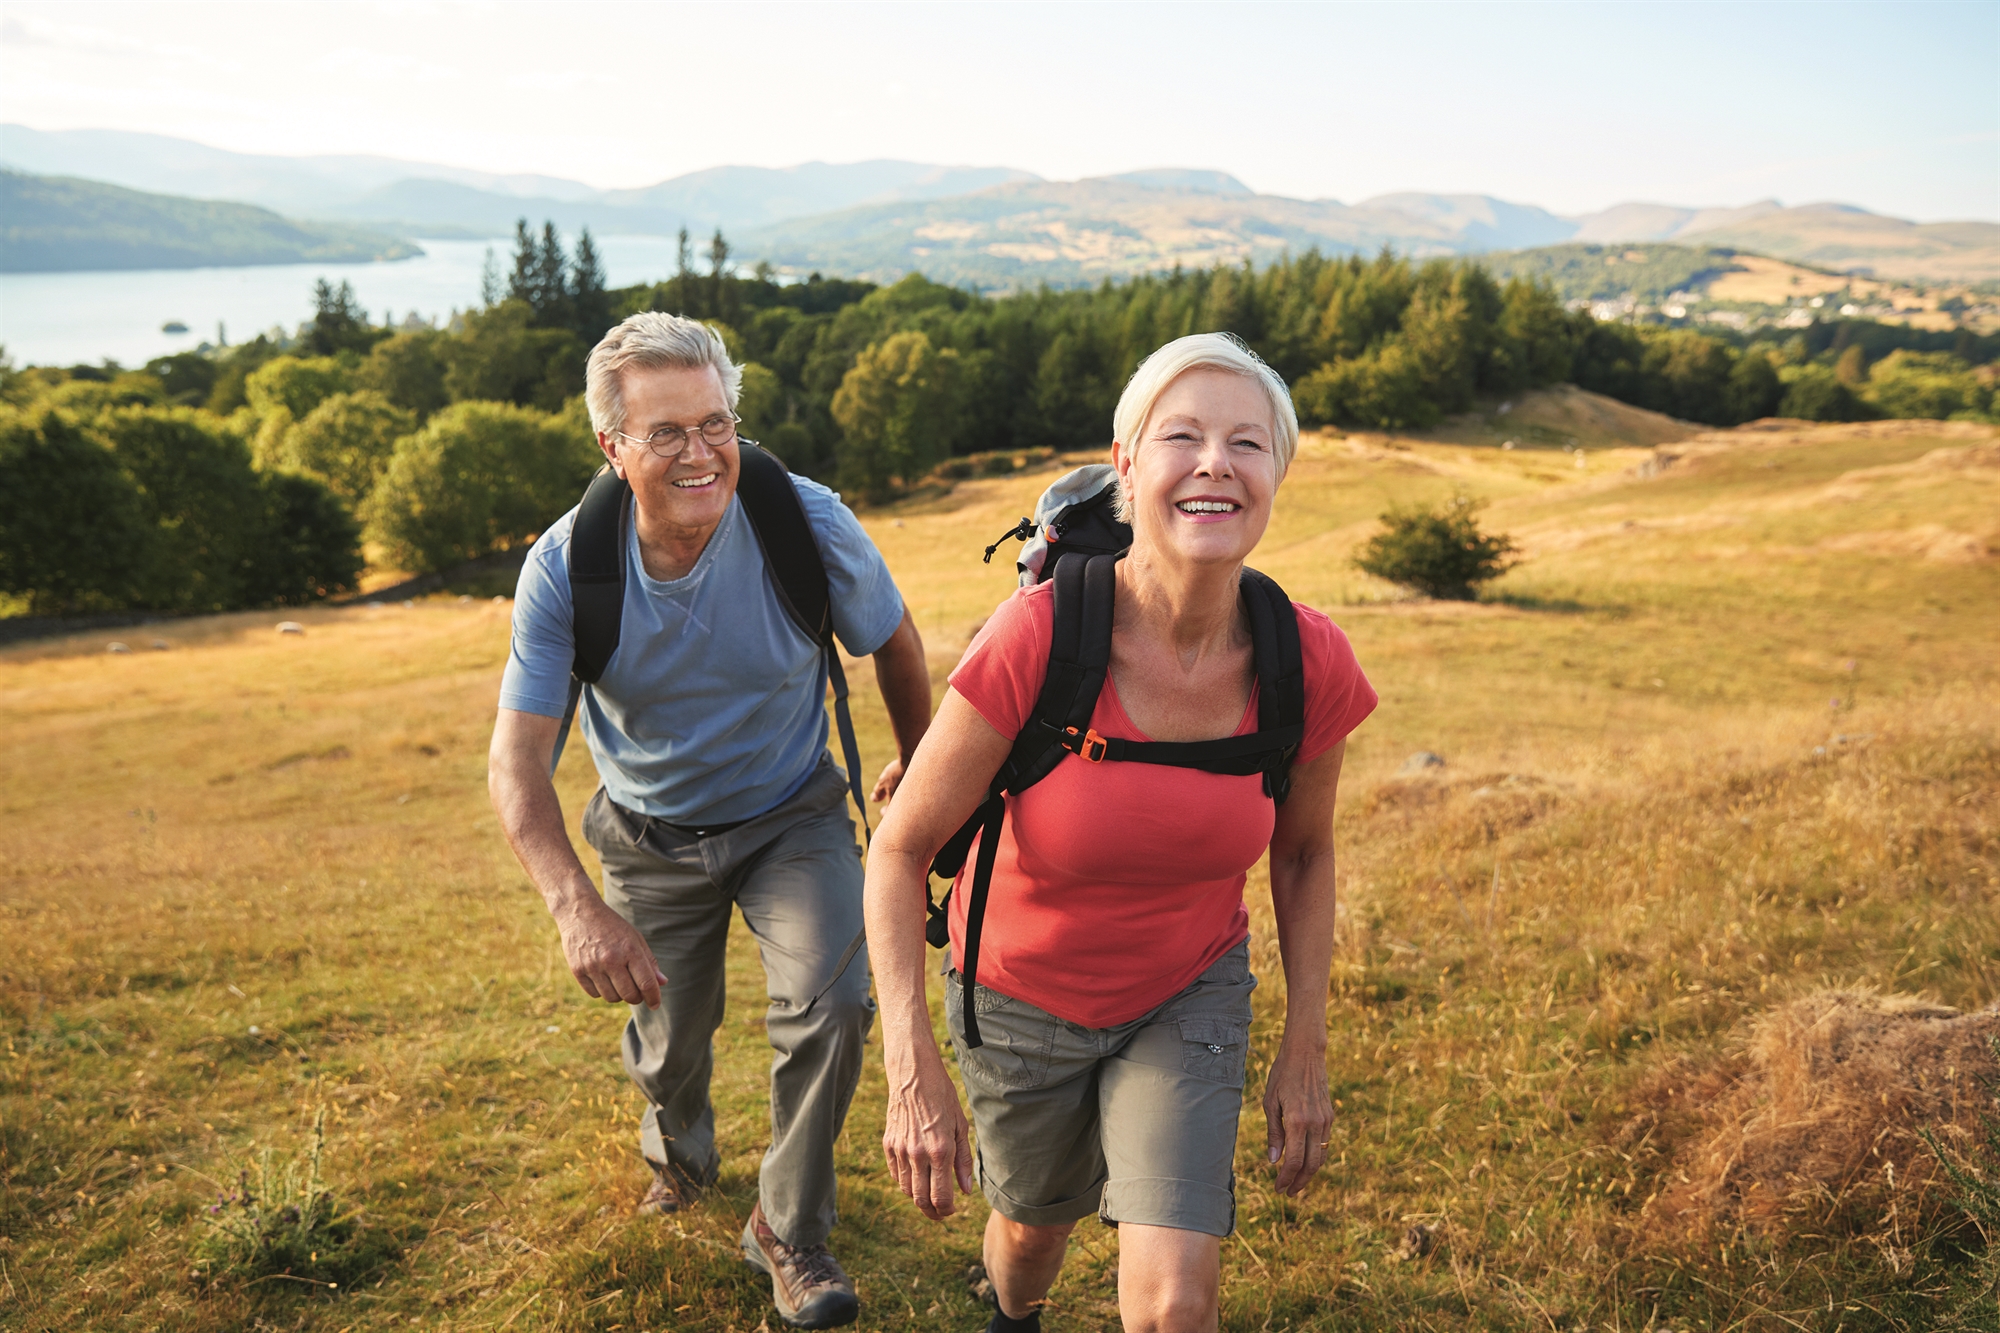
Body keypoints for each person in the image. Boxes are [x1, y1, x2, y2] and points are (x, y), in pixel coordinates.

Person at [864, 333, 1376, 1333]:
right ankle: (1013, 1311)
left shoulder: (1305, 658)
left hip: (1186, 987)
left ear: (1276, 474)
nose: (1215, 463)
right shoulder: (1040, 634)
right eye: (1182, 436)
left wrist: (1305, 1044)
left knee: (1177, 1303)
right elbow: (899, 848)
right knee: (1029, 1239)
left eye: (1247, 442)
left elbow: (1304, 852)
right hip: (1018, 992)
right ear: (1127, 466)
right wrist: (908, 1063)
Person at [488, 312, 932, 1331]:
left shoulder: (803, 519)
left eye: (715, 423)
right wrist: (576, 909)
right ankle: (679, 1156)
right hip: (648, 834)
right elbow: (515, 764)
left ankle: (788, 1227)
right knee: (670, 1040)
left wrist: (920, 772)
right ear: (612, 446)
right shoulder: (566, 567)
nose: (700, 453)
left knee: (833, 1004)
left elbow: (897, 643)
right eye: (666, 433)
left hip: (793, 813)